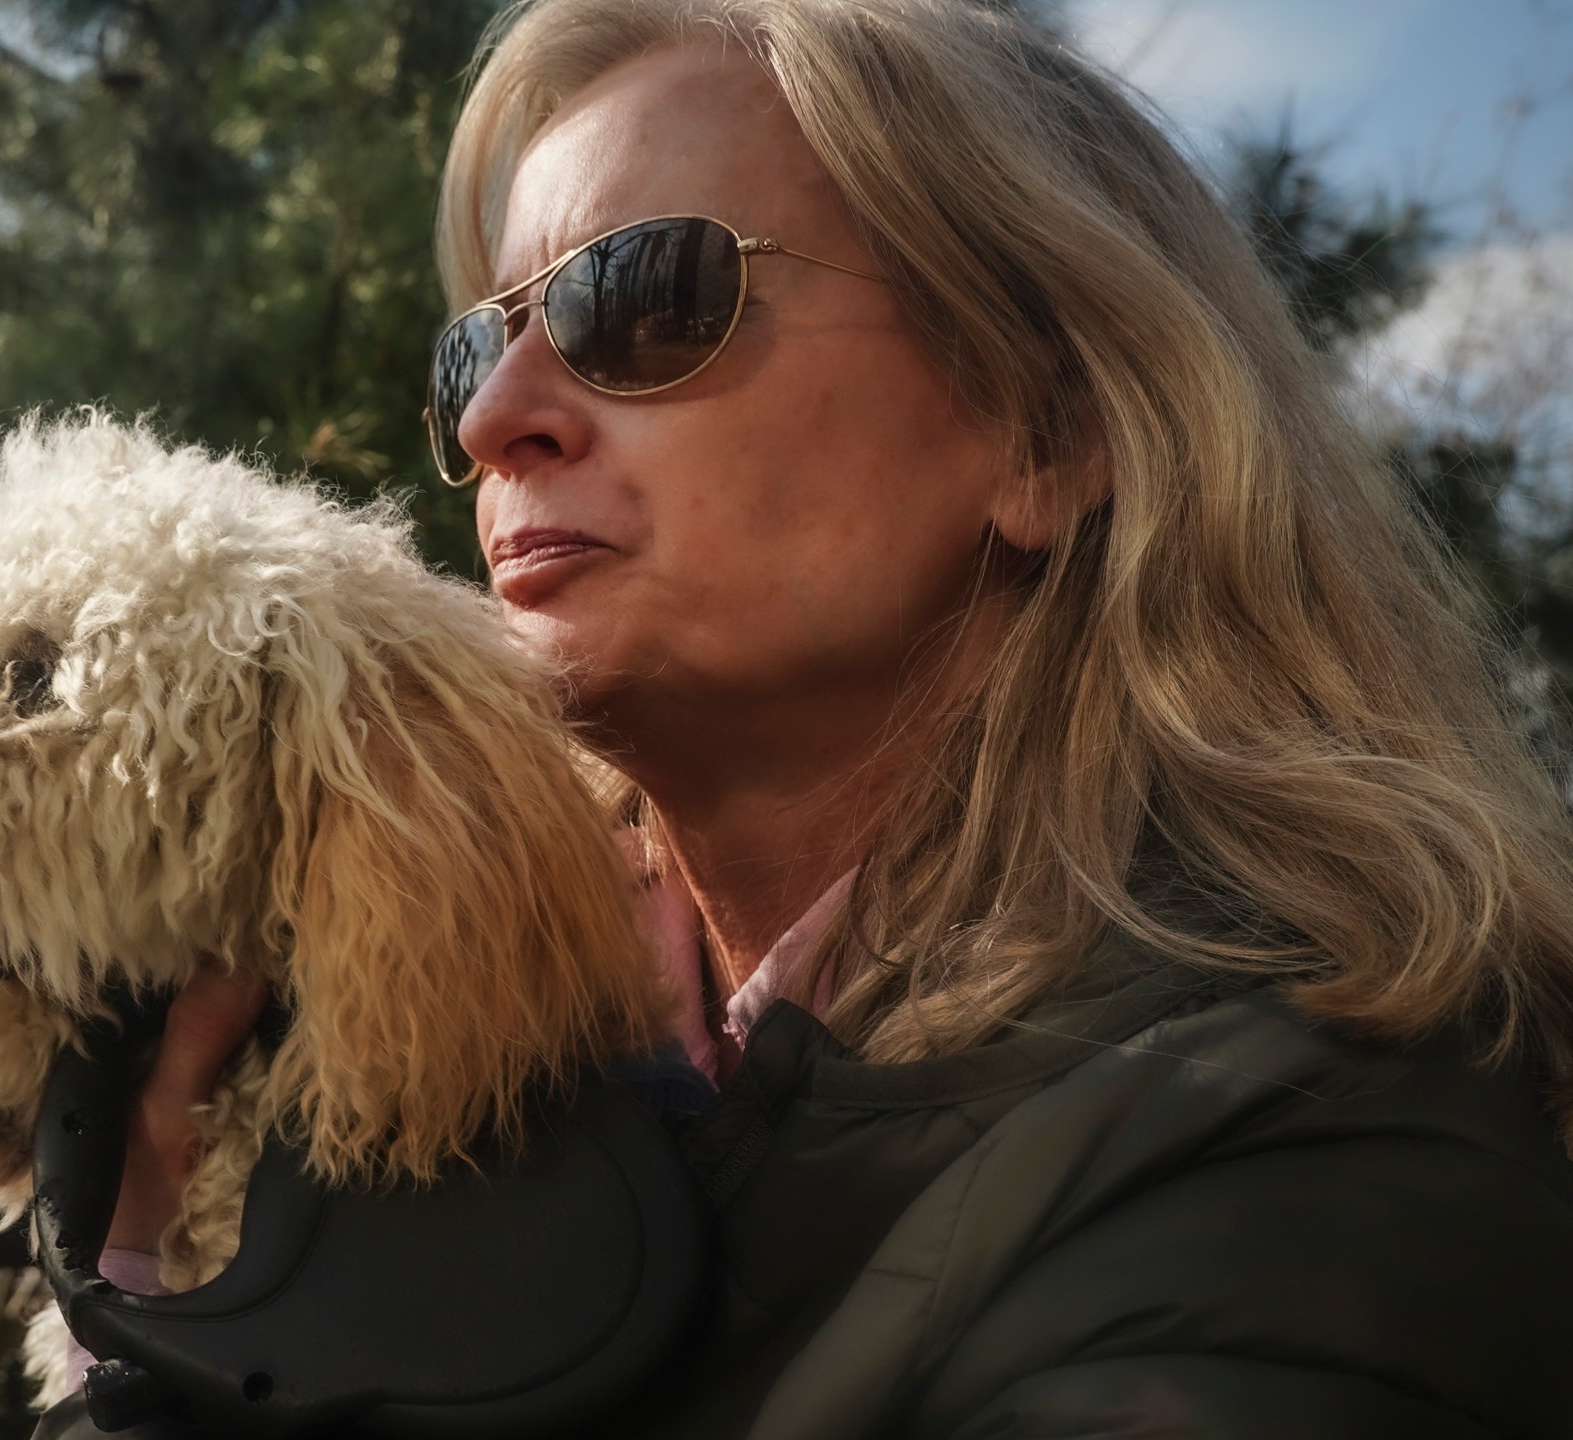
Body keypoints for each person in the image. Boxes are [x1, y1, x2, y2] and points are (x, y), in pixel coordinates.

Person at [84, 0, 1573, 1434]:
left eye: (642, 296)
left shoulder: (1308, 1130)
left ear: (1048, 428)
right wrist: (169, 1309)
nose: (492, 423)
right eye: (474, 349)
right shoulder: (412, 1046)